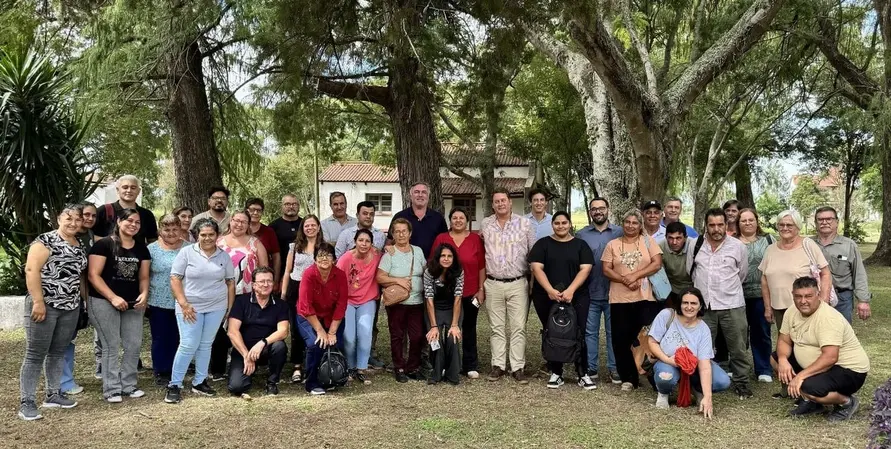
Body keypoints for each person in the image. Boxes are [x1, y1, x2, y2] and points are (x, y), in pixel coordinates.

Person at [18, 205, 87, 421]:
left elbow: (79, 276)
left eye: (78, 219)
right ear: (59, 219)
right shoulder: (45, 241)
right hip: (45, 305)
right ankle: (27, 402)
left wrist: (84, 301)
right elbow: (31, 270)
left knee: (58, 351)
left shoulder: (79, 245)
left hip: (70, 306)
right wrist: (38, 301)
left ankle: (53, 393)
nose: (73, 223)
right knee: (35, 353)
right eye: (69, 218)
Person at [772, 277, 869, 421]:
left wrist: (799, 377)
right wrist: (782, 359)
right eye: (798, 296)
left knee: (808, 387)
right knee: (775, 359)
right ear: (792, 295)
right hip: (822, 364)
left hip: (849, 370)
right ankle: (812, 402)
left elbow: (830, 357)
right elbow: (784, 340)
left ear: (818, 295)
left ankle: (846, 403)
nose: (803, 301)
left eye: (808, 296)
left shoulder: (828, 318)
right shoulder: (791, 311)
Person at [165, 218, 236, 404]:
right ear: (197, 235)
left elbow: (230, 282)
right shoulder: (186, 253)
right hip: (190, 307)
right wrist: (184, 304)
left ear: (217, 235)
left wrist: (229, 307)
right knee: (188, 344)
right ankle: (174, 384)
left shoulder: (224, 256)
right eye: (203, 234)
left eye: (211, 234)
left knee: (206, 344)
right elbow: (175, 278)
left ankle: (200, 381)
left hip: (216, 306)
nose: (207, 238)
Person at [686, 208, 752, 398]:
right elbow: (690, 270)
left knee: (738, 347)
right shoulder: (695, 244)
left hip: (732, 304)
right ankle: (700, 383)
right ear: (706, 226)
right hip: (704, 306)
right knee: (701, 347)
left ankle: (741, 382)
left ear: (726, 225)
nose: (716, 229)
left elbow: (742, 273)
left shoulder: (738, 246)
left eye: (720, 225)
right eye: (712, 225)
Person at [88, 208, 152, 403]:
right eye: (129, 220)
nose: (133, 225)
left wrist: (144, 294)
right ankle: (112, 389)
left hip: (133, 303)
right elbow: (93, 275)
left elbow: (143, 277)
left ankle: (129, 385)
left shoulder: (141, 249)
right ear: (119, 221)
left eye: (137, 222)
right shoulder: (103, 245)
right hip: (104, 301)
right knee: (111, 345)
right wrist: (113, 297)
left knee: (133, 344)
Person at [529, 212, 595, 390]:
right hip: (547, 297)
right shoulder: (543, 244)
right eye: (557, 223)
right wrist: (550, 290)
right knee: (553, 332)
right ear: (552, 225)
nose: (560, 226)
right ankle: (556, 372)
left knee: (579, 332)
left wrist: (571, 290)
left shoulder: (581, 245)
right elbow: (536, 268)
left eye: (564, 223)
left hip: (577, 296)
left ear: (570, 224)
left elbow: (585, 269)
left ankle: (583, 373)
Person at [601, 209, 663, 391]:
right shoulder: (613, 244)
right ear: (622, 223)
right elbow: (606, 269)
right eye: (627, 222)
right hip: (619, 299)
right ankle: (628, 378)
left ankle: (650, 374)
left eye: (635, 223)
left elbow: (657, 264)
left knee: (645, 338)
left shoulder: (648, 241)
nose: (630, 225)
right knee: (621, 339)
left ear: (640, 225)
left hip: (645, 298)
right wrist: (624, 280)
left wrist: (635, 276)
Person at [647, 288, 730, 418]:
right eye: (685, 303)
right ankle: (663, 392)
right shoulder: (667, 315)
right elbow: (652, 342)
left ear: (700, 306)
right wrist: (668, 360)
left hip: (693, 366)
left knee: (722, 381)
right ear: (680, 304)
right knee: (665, 377)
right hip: (667, 361)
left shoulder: (703, 329)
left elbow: (704, 365)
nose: (689, 307)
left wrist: (708, 397)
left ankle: (696, 389)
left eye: (694, 303)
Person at [480, 188, 535, 384]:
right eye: (497, 201)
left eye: (503, 200)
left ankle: (518, 367)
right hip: (493, 282)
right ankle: (498, 365)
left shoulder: (525, 224)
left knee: (518, 327)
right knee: (496, 327)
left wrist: (532, 282)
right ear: (493, 205)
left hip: (518, 282)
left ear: (510, 202)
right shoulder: (486, 224)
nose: (500, 204)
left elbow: (533, 253)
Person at [210, 210, 269, 380]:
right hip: (220, 292)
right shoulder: (219, 242)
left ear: (248, 224)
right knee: (218, 330)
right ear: (230, 221)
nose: (239, 224)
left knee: (242, 329)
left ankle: (244, 362)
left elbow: (264, 269)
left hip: (246, 293)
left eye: (243, 221)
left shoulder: (255, 243)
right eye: (236, 220)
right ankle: (218, 369)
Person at [431, 207, 486, 379]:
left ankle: (470, 365)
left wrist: (481, 289)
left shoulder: (475, 239)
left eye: (461, 218)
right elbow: (433, 263)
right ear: (450, 220)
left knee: (469, 327)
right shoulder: (442, 238)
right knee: (446, 328)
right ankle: (444, 365)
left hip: (470, 292)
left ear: (467, 220)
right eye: (454, 218)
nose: (458, 221)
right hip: (446, 293)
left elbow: (482, 266)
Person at [759, 210, 832, 334]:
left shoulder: (808, 245)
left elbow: (825, 274)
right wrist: (767, 307)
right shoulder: (770, 249)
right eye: (781, 225)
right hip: (779, 309)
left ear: (798, 227)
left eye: (789, 225)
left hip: (805, 307)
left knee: (806, 342)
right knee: (785, 341)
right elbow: (764, 280)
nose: (785, 228)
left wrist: (823, 301)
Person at [576, 197, 623, 385]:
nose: (598, 211)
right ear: (590, 212)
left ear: (607, 209)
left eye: (601, 208)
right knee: (590, 332)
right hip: (590, 291)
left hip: (615, 291)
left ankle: (614, 368)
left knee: (614, 332)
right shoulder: (581, 235)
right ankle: (591, 368)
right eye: (594, 209)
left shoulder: (619, 232)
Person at [377, 218, 427, 383]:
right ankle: (399, 367)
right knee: (397, 336)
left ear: (410, 233)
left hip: (417, 302)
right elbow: (380, 277)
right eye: (397, 231)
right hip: (397, 303)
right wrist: (399, 280)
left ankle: (412, 367)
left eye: (404, 231)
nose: (401, 234)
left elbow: (425, 270)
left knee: (417, 336)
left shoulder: (418, 251)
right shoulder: (389, 254)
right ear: (393, 234)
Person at [227, 267, 289, 397]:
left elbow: (283, 331)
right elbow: (232, 331)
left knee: (280, 346)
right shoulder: (241, 301)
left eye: (269, 281)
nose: (266, 285)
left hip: (266, 348)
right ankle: (249, 369)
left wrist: (262, 343)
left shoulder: (280, 304)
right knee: (237, 387)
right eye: (262, 281)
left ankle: (272, 381)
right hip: (243, 349)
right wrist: (246, 355)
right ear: (254, 285)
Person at [297, 243, 348, 395]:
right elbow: (305, 306)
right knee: (316, 344)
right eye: (320, 255)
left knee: (335, 343)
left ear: (334, 259)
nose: (324, 259)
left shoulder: (340, 275)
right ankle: (312, 383)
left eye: (328, 255)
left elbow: (341, 304)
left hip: (331, 317)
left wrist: (331, 332)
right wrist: (320, 331)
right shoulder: (309, 274)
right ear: (314, 259)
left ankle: (331, 377)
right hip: (309, 317)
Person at [60, 203, 97, 396]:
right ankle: (62, 382)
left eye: (93, 216)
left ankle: (65, 380)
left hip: (75, 299)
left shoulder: (85, 238)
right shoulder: (56, 240)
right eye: (85, 215)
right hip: (57, 300)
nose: (89, 219)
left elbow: (83, 275)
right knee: (60, 343)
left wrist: (86, 300)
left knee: (69, 340)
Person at [282, 215, 324, 383]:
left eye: (313, 225)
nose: (310, 228)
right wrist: (284, 294)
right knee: (296, 329)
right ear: (302, 228)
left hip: (316, 291)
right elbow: (287, 271)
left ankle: (314, 363)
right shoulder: (294, 247)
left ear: (318, 227)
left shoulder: (324, 247)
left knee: (315, 326)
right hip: (296, 288)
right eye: (307, 225)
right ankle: (297, 365)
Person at [336, 229, 381, 384]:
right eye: (361, 240)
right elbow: (337, 279)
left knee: (365, 334)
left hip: (367, 299)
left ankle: (361, 368)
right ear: (355, 241)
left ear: (372, 244)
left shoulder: (377, 256)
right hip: (347, 300)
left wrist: (389, 249)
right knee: (349, 337)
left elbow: (389, 257)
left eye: (367, 241)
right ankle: (350, 367)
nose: (364, 244)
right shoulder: (345, 258)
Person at [812, 206, 871, 323]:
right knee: (814, 331)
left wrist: (863, 300)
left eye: (829, 219)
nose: (824, 222)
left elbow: (859, 274)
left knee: (841, 332)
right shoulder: (808, 244)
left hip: (842, 299)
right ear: (815, 223)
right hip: (814, 297)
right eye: (820, 219)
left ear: (837, 222)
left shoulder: (849, 245)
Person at [147, 214, 187, 386]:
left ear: (180, 229)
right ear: (160, 230)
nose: (171, 233)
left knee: (180, 337)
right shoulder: (151, 249)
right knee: (160, 337)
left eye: (175, 229)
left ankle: (178, 369)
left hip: (183, 302)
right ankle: (162, 371)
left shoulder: (189, 248)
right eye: (167, 229)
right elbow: (145, 275)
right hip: (158, 301)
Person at [737, 208, 775, 383]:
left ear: (757, 221)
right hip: (737, 295)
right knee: (738, 333)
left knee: (761, 332)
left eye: (751, 220)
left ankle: (763, 368)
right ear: (738, 223)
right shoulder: (732, 242)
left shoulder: (768, 240)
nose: (747, 223)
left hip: (762, 294)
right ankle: (737, 367)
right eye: (743, 220)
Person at [423, 243, 465, 385]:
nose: (446, 259)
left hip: (453, 309)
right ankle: (436, 373)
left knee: (453, 337)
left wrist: (454, 325)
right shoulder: (429, 272)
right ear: (438, 257)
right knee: (435, 338)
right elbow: (429, 299)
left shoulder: (459, 272)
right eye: (443, 256)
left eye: (449, 256)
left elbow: (458, 298)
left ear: (453, 258)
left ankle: (452, 374)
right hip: (434, 309)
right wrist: (434, 326)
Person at [93, 175, 159, 245]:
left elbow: (152, 240)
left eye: (133, 188)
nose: (129, 190)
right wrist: (108, 241)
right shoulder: (104, 210)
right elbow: (89, 236)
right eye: (125, 187)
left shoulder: (146, 214)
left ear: (138, 191)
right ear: (118, 190)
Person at [391, 182, 448, 259]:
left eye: (424, 192)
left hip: (432, 264)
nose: (420, 195)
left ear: (428, 196)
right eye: (416, 192)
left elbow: (445, 243)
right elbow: (390, 241)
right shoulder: (399, 216)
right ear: (411, 196)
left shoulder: (438, 218)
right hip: (404, 263)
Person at [245, 198, 282, 287]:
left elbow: (276, 256)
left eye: (259, 210)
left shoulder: (269, 232)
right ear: (246, 211)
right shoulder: (241, 230)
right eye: (252, 210)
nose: (255, 213)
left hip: (264, 280)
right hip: (243, 279)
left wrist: (276, 280)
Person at [268, 194, 303, 284]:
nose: (291, 207)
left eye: (294, 204)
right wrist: (276, 279)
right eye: (287, 204)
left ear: (299, 206)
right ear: (282, 206)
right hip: (280, 273)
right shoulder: (273, 227)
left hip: (302, 272)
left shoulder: (305, 225)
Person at [659, 221, 693, 308]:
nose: (674, 242)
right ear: (666, 237)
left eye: (678, 238)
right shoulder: (660, 247)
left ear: (685, 238)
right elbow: (660, 277)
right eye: (670, 238)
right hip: (671, 288)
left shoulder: (694, 246)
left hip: (692, 287)